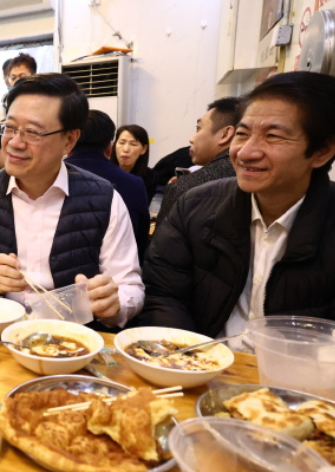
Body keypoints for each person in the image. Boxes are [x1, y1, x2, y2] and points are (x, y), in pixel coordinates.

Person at [137, 71, 335, 341]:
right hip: (198, 359)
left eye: (273, 136)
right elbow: (163, 295)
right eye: (242, 134)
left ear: (322, 151)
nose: (245, 152)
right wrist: (189, 357)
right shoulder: (194, 205)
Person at [0, 74, 144, 330]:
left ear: (69, 140)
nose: (14, 143)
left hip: (72, 341)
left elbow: (131, 288)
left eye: (32, 132)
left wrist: (113, 301)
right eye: (10, 127)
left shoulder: (104, 199)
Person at [65, 110, 150, 262]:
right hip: (115, 271)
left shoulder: (49, 176)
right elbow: (139, 240)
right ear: (110, 147)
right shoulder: (134, 184)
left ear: (69, 141)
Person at [156, 97, 239, 224]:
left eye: (198, 128)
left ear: (225, 134)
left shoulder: (186, 189)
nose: (191, 139)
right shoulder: (260, 182)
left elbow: (164, 236)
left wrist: (180, 186)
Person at [111, 124, 158, 201]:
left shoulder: (150, 177)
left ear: (144, 149)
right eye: (122, 143)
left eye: (133, 144)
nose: (126, 149)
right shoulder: (103, 171)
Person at [0, 53, 37, 122]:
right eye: (13, 78)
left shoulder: (45, 103)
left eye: (22, 77)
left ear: (34, 77)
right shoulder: (2, 111)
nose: (17, 82)